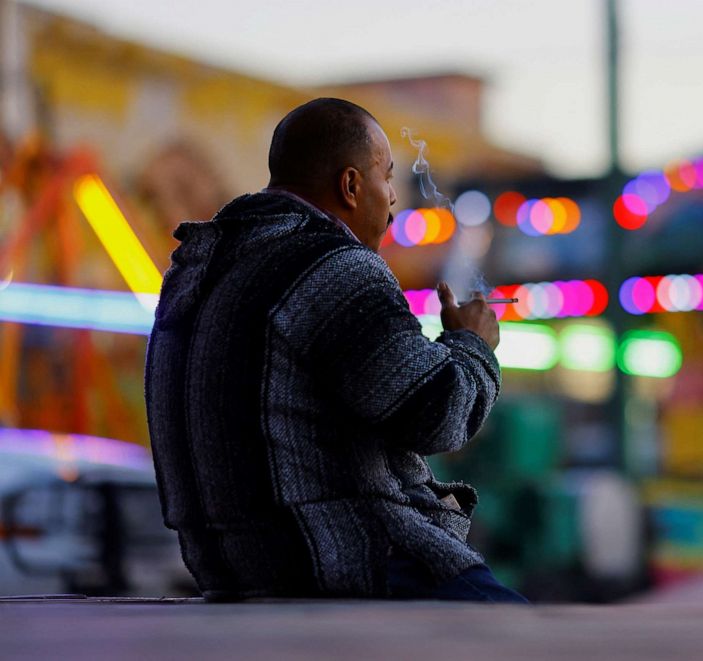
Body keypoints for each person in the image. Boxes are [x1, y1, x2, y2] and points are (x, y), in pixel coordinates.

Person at [144, 98, 526, 603]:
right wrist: (472, 344)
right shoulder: (335, 266)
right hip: (354, 561)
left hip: (232, 573)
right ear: (350, 186)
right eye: (386, 178)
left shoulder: (194, 269)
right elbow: (435, 414)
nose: (393, 201)